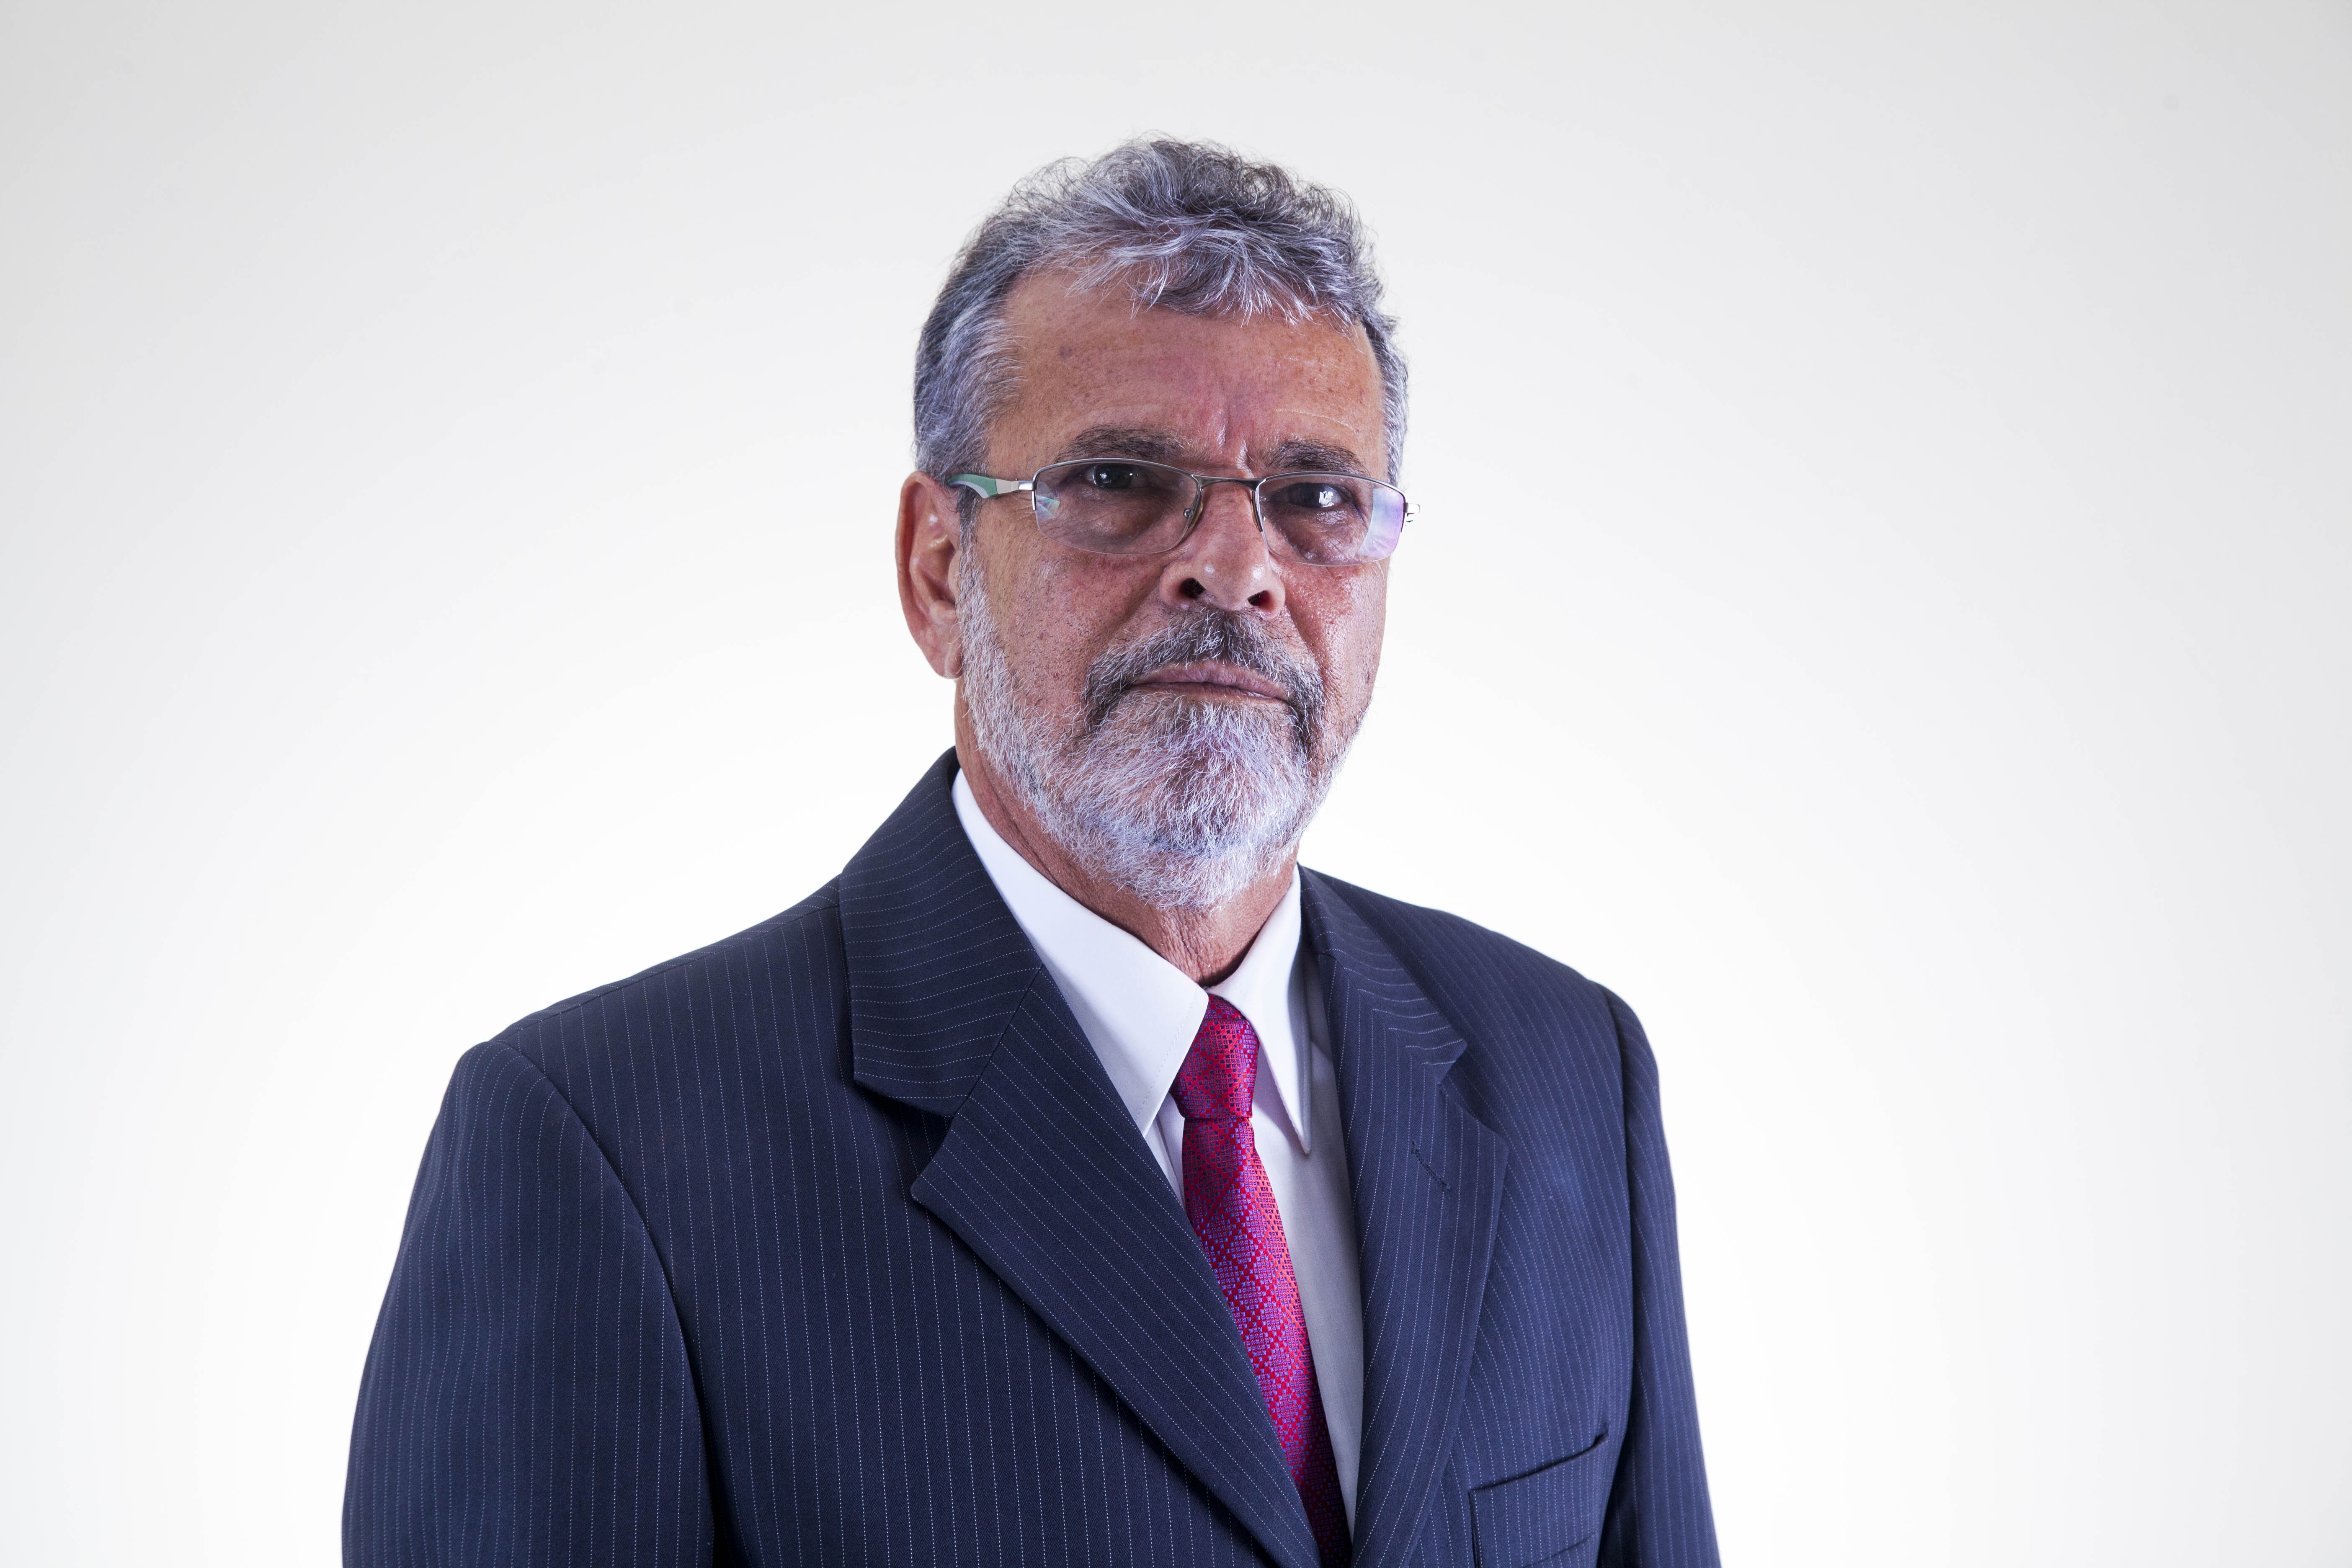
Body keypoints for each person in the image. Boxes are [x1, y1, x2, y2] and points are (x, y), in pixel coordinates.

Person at [345, 137, 1719, 1568]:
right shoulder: (602, 1146)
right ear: (940, 569)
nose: (1236, 567)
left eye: (1317, 497)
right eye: (1119, 478)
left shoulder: (1569, 1072)